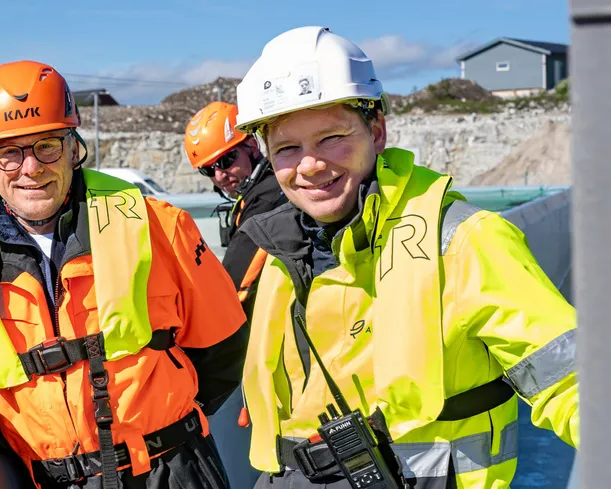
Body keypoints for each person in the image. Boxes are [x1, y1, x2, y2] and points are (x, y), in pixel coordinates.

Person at [231, 26, 578, 488]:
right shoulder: (280, 254)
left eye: (331, 137)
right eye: (288, 148)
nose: (310, 164)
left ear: (376, 132)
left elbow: (570, 381)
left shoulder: (460, 239)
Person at [0, 59, 249, 489]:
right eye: (8, 152)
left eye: (46, 146)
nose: (31, 168)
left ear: (72, 146)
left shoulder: (158, 225)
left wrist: (164, 426)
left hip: (174, 472)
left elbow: (224, 347)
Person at [184, 101, 286, 311]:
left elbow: (232, 287)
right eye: (208, 170)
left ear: (253, 146)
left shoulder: (267, 199)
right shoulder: (259, 192)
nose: (219, 175)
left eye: (226, 160)